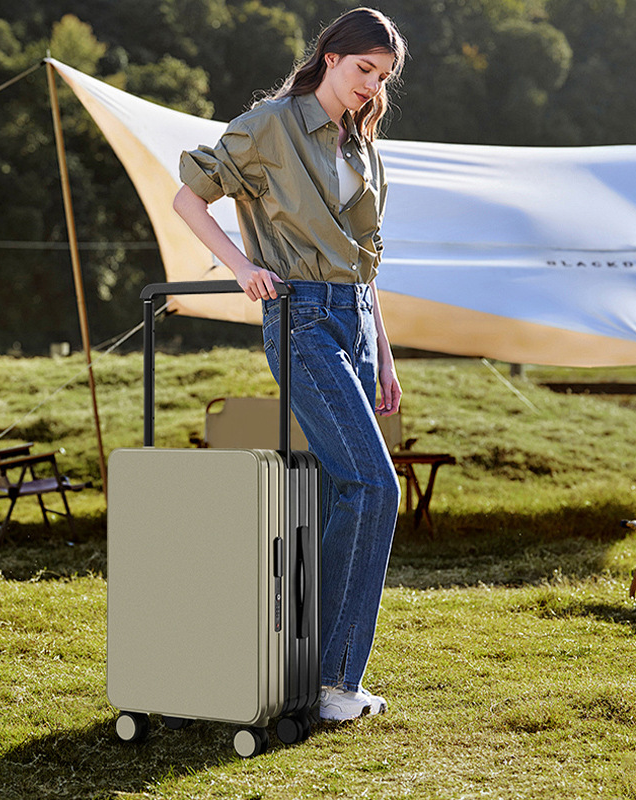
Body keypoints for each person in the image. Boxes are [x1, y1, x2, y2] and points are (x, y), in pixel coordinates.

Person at [173, 7, 407, 722]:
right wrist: (242, 267)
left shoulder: (362, 145)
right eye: (364, 68)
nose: (371, 86)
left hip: (355, 322)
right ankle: (332, 682)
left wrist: (385, 355)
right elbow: (188, 196)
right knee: (374, 486)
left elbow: (365, 266)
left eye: (383, 77)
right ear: (330, 57)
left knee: (347, 490)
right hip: (301, 317)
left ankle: (314, 675)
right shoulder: (271, 125)